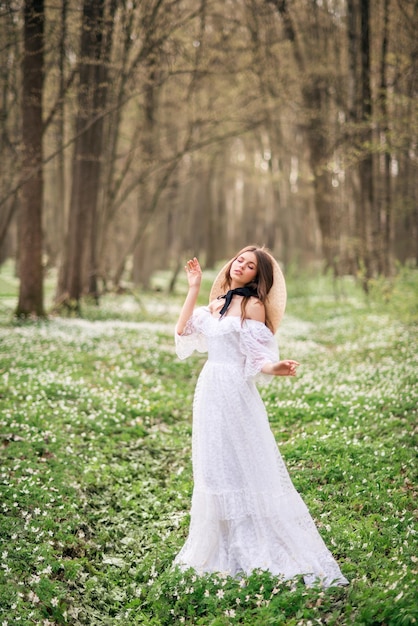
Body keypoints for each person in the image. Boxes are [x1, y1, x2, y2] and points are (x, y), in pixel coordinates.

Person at [173, 245, 348, 587]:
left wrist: (276, 367)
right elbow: (182, 331)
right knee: (214, 462)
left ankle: (251, 540)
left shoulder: (252, 306)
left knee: (244, 463)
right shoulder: (216, 303)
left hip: (236, 390)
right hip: (209, 388)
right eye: (239, 259)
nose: (241, 265)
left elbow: (256, 357)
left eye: (250, 265)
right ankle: (217, 539)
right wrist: (194, 287)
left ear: (257, 276)